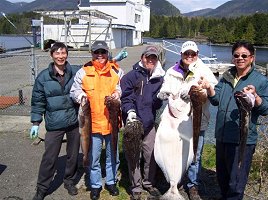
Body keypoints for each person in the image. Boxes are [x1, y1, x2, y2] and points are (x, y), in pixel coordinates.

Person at [200, 41, 268, 199]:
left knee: (236, 183)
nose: (240, 58)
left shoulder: (261, 81)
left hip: (243, 141)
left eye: (244, 55)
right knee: (223, 178)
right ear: (233, 57)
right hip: (222, 136)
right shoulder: (227, 76)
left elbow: (266, 109)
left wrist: (255, 97)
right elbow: (216, 100)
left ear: (252, 58)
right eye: (236, 55)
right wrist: (209, 88)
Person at [157, 40, 218, 200]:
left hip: (197, 121)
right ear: (181, 54)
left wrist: (201, 92)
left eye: (193, 54)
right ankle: (174, 182)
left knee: (194, 155)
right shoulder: (171, 71)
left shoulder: (204, 70)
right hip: (174, 120)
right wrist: (163, 93)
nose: (189, 56)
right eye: (186, 54)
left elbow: (211, 92)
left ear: (197, 54)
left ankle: (192, 186)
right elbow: (165, 87)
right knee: (174, 151)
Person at [70, 41, 121, 200]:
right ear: (92, 53)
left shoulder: (116, 71)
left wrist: (117, 94)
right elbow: (74, 91)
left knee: (113, 155)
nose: (100, 55)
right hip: (91, 124)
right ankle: (96, 185)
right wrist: (81, 97)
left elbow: (120, 87)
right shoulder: (83, 72)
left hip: (111, 123)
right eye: (96, 52)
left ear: (107, 54)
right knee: (93, 158)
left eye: (103, 52)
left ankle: (111, 182)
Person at [30, 42, 81, 200]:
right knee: (50, 157)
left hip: (74, 121)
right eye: (57, 53)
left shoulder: (75, 72)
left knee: (73, 155)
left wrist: (113, 61)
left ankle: (69, 181)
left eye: (63, 53)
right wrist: (36, 123)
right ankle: (42, 188)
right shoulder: (43, 77)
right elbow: (38, 101)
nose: (61, 56)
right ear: (51, 55)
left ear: (67, 54)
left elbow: (93, 65)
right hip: (54, 123)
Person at [120, 45, 165, 200]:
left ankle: (149, 182)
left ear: (157, 60)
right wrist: (130, 111)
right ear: (142, 58)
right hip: (133, 123)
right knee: (133, 155)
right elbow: (125, 98)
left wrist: (160, 98)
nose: (150, 60)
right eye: (148, 57)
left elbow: (155, 105)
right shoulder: (130, 77)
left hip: (149, 123)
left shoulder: (159, 78)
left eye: (154, 57)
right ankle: (136, 187)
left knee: (151, 154)